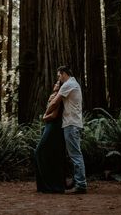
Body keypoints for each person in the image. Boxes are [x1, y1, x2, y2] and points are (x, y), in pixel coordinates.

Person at [45, 65, 87, 194]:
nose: (58, 78)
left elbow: (54, 103)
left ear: (64, 73)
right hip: (73, 123)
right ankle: (76, 181)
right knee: (74, 154)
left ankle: (81, 185)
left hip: (71, 124)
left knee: (75, 155)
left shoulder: (68, 84)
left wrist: (45, 114)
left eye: (59, 75)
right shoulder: (73, 84)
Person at [35, 81, 66, 193]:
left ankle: (52, 186)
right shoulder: (53, 96)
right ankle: (44, 186)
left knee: (40, 152)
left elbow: (54, 115)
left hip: (54, 126)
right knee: (49, 154)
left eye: (58, 83)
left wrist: (44, 117)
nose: (55, 84)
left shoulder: (59, 97)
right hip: (49, 126)